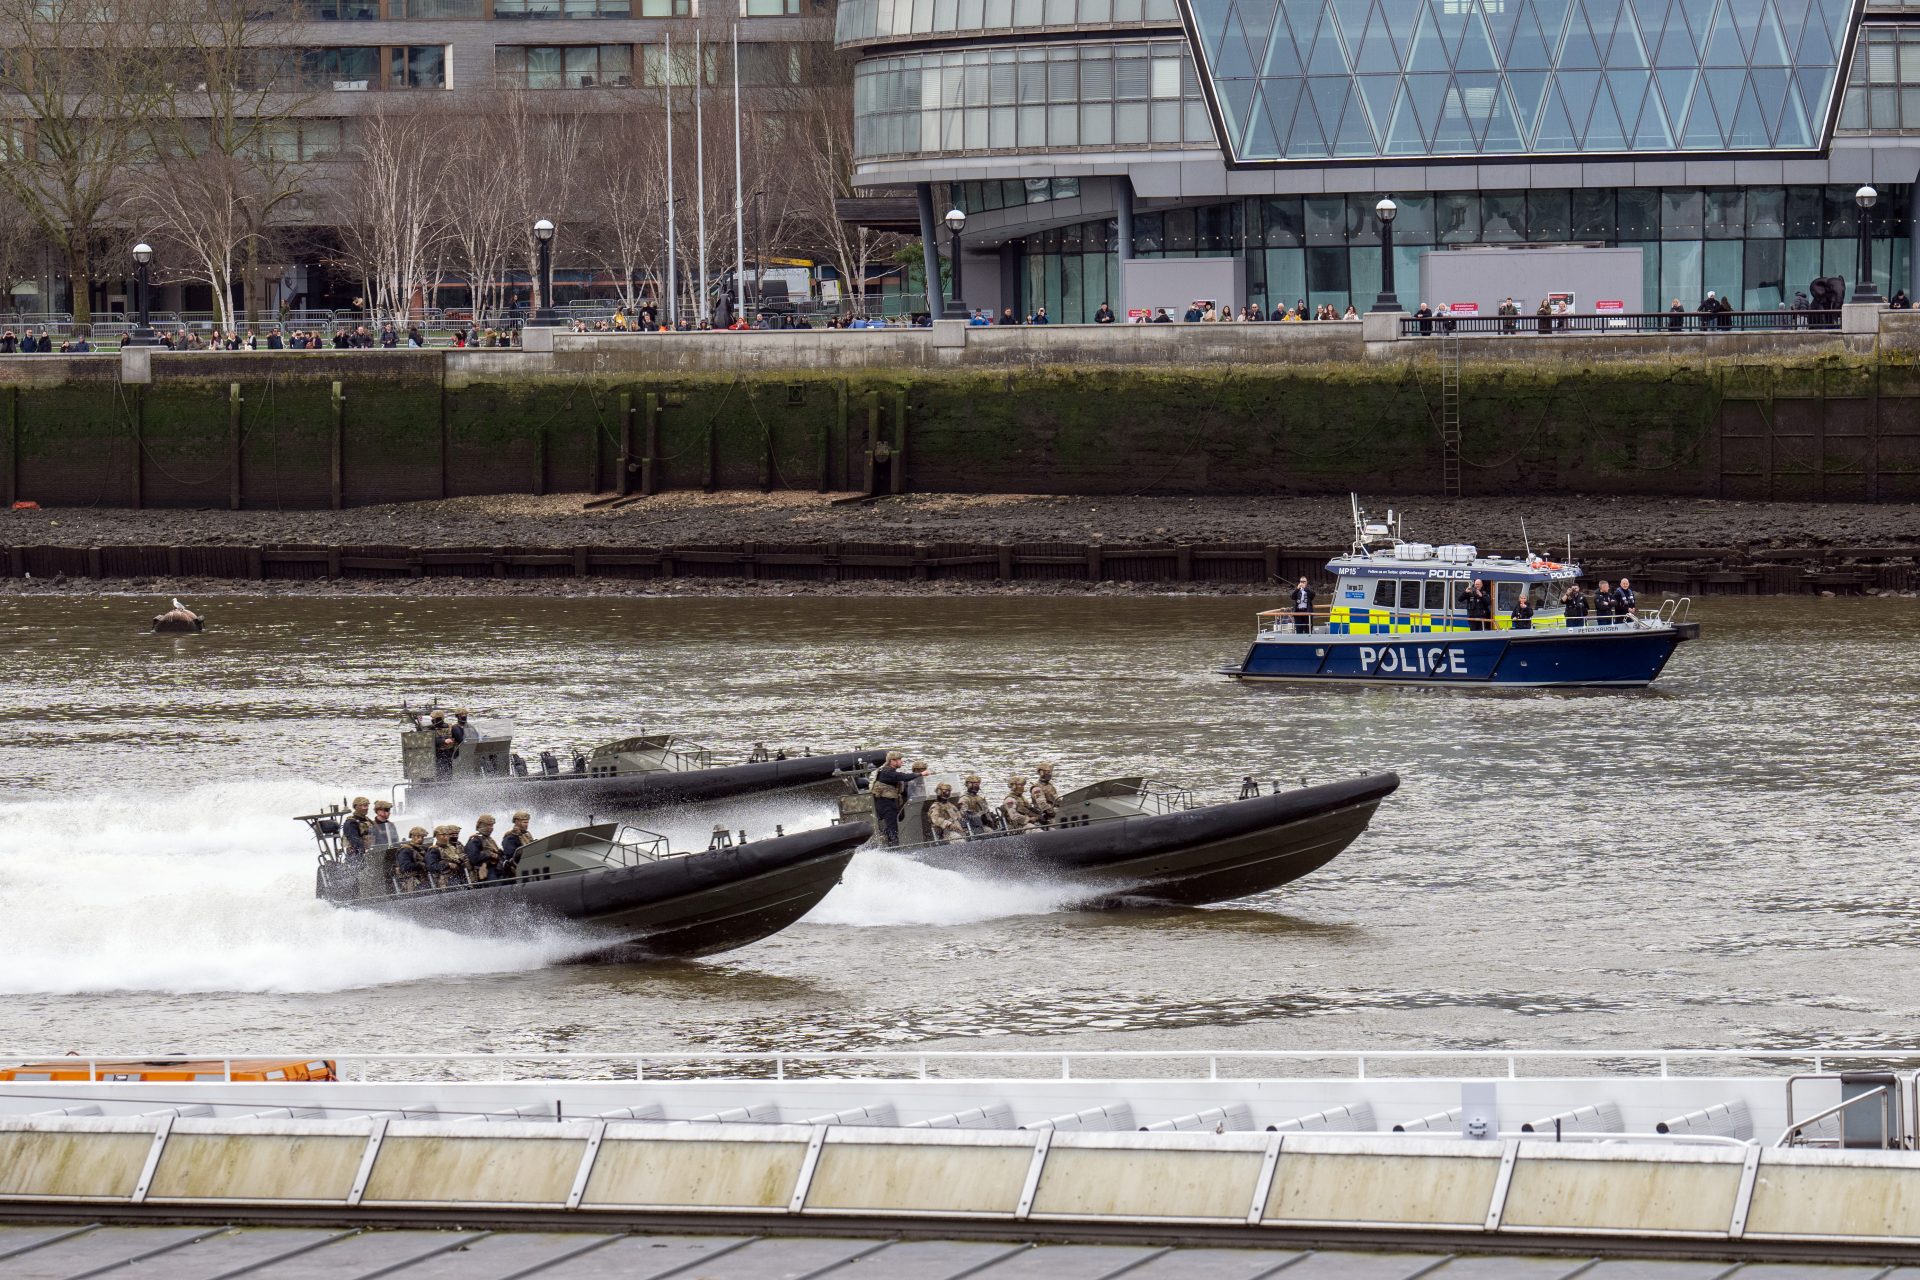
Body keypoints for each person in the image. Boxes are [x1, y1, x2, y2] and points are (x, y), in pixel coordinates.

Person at [869, 751, 912, 847]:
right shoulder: (886, 773)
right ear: (892, 761)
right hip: (885, 803)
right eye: (899, 760)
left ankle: (891, 841)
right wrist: (920, 774)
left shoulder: (888, 772)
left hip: (890, 802)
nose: (902, 762)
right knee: (892, 827)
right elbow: (902, 777)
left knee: (893, 824)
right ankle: (894, 847)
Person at [465, 814, 502, 884]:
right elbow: (474, 858)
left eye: (492, 825)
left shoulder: (489, 839)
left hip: (496, 869)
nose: (491, 828)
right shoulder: (475, 840)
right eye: (489, 825)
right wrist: (489, 854)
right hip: (485, 873)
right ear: (483, 825)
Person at [428, 824, 467, 888]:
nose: (446, 837)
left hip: (460, 879)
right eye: (443, 835)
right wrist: (448, 865)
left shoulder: (452, 848)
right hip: (446, 883)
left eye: (447, 835)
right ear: (437, 836)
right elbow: (432, 867)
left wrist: (461, 860)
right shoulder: (434, 850)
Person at [394, 827, 431, 893]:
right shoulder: (405, 850)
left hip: (424, 878)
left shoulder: (423, 849)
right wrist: (420, 865)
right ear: (412, 836)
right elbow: (404, 867)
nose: (420, 839)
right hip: (412, 881)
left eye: (422, 837)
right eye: (418, 836)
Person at [340, 796, 374, 870]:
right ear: (356, 807)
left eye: (367, 805)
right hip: (356, 853)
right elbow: (354, 839)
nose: (366, 808)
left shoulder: (369, 821)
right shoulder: (351, 822)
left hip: (372, 851)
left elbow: (378, 834)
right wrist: (363, 850)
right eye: (364, 806)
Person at [500, 810, 534, 879]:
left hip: (530, 865)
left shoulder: (526, 835)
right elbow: (511, 855)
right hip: (517, 871)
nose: (527, 824)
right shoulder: (510, 837)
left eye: (527, 822)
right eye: (524, 822)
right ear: (517, 822)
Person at [429, 710, 458, 779]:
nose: (432, 720)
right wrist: (443, 740)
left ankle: (448, 783)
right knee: (441, 772)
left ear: (438, 719)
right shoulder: (431, 729)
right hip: (438, 754)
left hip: (450, 753)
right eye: (432, 719)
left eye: (433, 719)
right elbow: (430, 741)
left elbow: (458, 738)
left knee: (449, 771)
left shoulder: (451, 727)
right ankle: (442, 784)